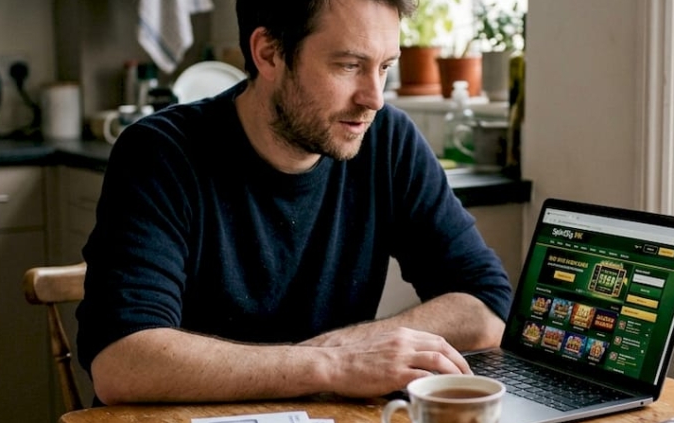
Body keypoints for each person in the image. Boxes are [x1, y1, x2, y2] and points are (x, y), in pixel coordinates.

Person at [76, 0, 513, 406]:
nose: (374, 98)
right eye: (348, 65)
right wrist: (335, 364)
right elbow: (121, 363)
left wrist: (341, 351)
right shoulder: (160, 153)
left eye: (385, 67)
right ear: (268, 53)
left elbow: (488, 305)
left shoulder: (388, 142)